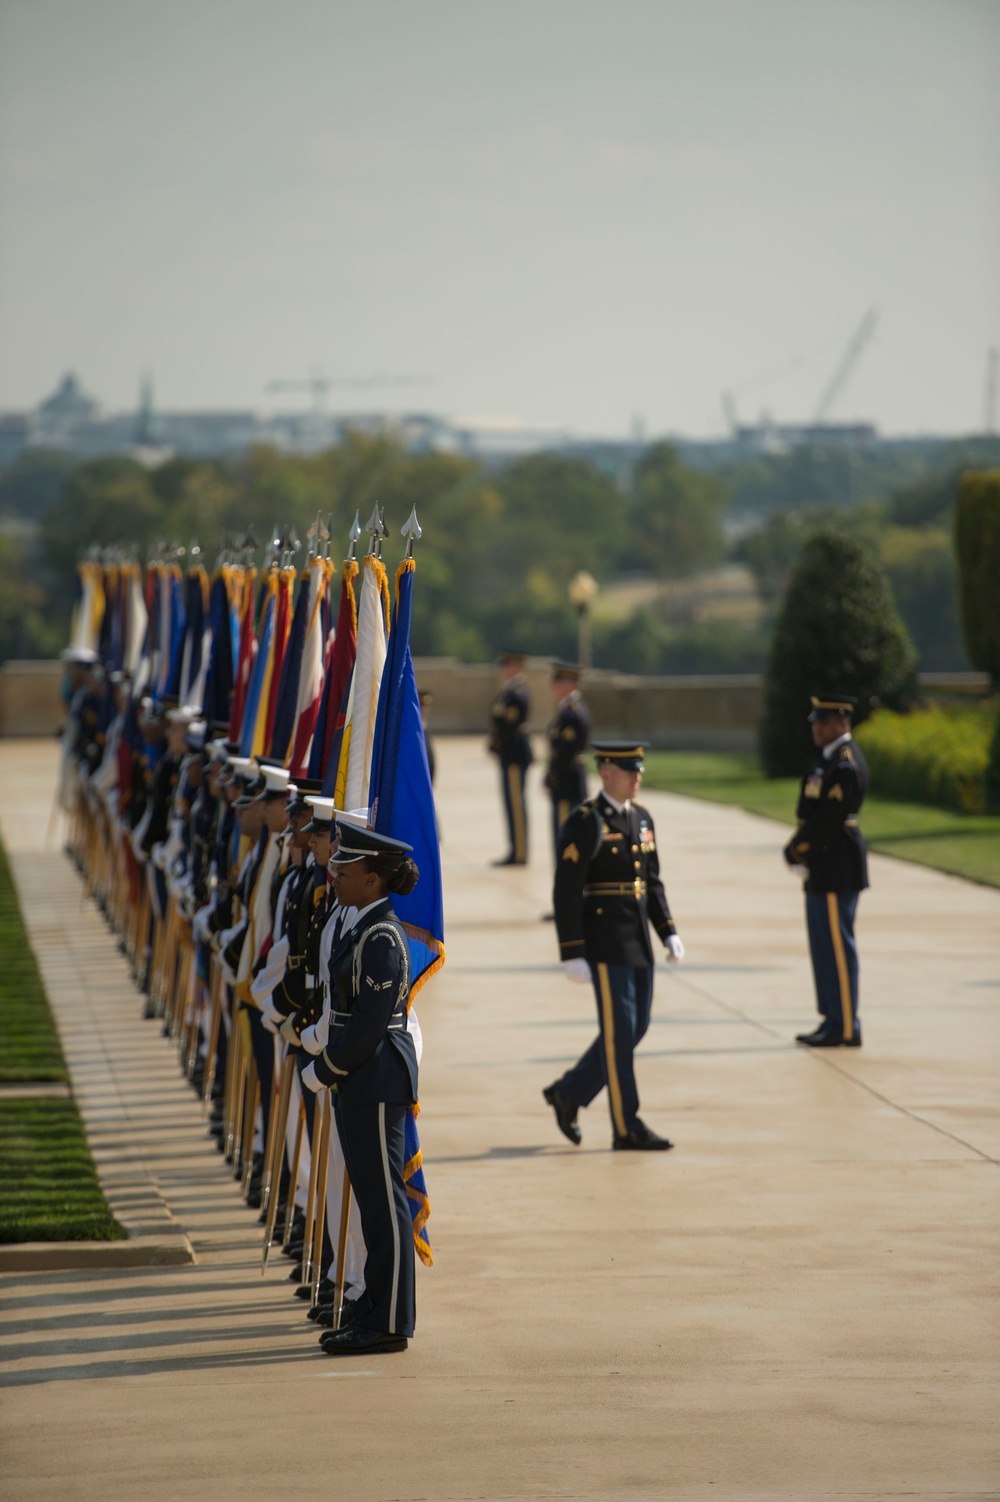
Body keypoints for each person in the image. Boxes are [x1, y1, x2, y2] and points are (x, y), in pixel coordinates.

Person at [302, 825, 420, 1356]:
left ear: (372, 879)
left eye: (345, 873)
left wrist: (324, 1068)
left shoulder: (382, 937)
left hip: (374, 1078)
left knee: (384, 1203)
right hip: (361, 1078)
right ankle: (374, 1311)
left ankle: (390, 1320)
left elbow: (369, 1026)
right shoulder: (361, 926)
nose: (336, 877)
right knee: (373, 1203)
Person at [544, 742, 684, 1151]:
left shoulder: (642, 819)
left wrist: (668, 930)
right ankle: (627, 1126)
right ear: (606, 773)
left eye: (639, 770)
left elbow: (651, 881)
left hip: (638, 938)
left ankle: (568, 1092)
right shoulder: (587, 821)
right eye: (629, 771)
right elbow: (566, 889)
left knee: (635, 1028)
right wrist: (571, 950)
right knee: (620, 1033)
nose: (637, 777)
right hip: (604, 942)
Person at [784, 694, 869, 1048]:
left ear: (842, 724)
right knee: (823, 946)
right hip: (823, 863)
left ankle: (847, 1024)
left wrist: (797, 848)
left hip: (836, 862)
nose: (817, 728)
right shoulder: (828, 760)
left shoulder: (845, 763)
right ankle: (832, 1018)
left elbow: (828, 820)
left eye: (824, 722)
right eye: (815, 722)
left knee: (837, 945)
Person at [487, 649, 533, 866]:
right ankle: (515, 849)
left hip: (514, 753)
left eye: (508, 665)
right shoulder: (509, 690)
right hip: (509, 753)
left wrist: (498, 741)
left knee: (516, 803)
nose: (503, 669)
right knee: (510, 803)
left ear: (517, 667)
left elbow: (508, 724)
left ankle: (520, 853)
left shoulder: (517, 692)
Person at [543, 661, 591, 860]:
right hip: (567, 779)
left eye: (558, 682)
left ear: (570, 684)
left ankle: (566, 885)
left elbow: (565, 753)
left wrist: (553, 777)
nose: (553, 686)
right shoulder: (567, 710)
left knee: (566, 837)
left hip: (567, 782)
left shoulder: (572, 713)